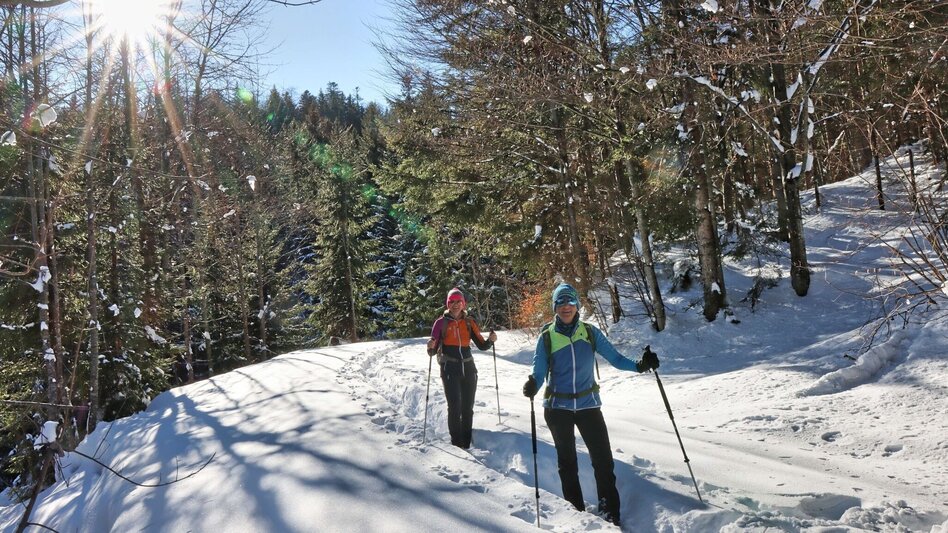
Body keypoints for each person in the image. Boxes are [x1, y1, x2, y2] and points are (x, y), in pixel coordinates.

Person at [521, 283, 659, 526]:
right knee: (567, 464)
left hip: (589, 405)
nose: (566, 306)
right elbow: (539, 371)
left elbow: (616, 358)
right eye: (561, 302)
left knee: (603, 461)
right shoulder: (547, 337)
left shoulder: (590, 332)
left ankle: (610, 513)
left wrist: (640, 365)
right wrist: (533, 383)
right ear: (555, 307)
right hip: (557, 408)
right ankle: (576, 511)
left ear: (577, 305)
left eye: (570, 302)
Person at [427, 288, 498, 449]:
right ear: (448, 304)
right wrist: (430, 346)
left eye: (459, 301)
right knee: (454, 407)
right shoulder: (441, 323)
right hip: (449, 369)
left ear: (463, 304)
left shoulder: (469, 322)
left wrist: (491, 340)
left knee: (467, 408)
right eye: (452, 301)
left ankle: (466, 443)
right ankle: (456, 443)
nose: (456, 304)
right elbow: (432, 351)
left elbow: (482, 345)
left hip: (469, 368)